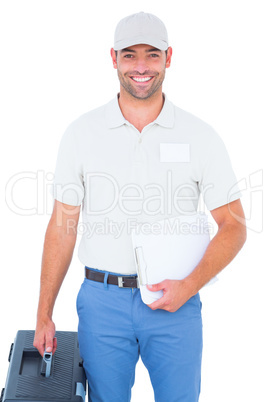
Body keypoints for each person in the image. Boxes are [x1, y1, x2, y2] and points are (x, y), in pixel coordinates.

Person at [33, 11, 247, 402]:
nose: (142, 67)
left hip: (176, 302)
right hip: (102, 302)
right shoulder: (82, 134)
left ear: (169, 57)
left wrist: (189, 286)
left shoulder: (200, 136)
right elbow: (63, 224)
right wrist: (43, 312)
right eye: (130, 55)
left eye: (152, 54)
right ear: (113, 59)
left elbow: (234, 225)